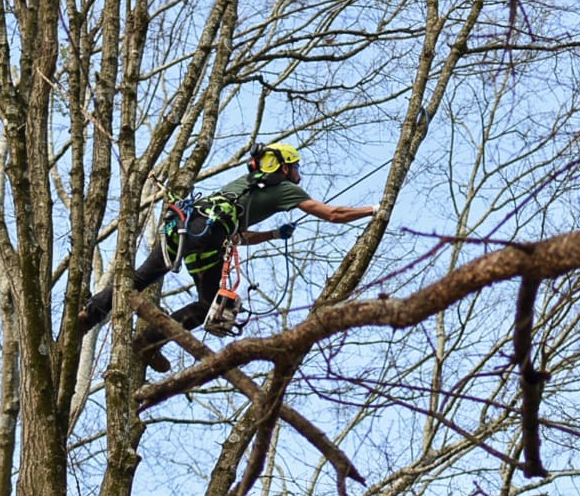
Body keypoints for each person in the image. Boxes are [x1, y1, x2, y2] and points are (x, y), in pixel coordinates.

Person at [79, 143, 377, 372]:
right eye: (296, 166)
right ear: (285, 168)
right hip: (209, 241)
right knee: (210, 307)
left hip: (184, 230)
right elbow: (333, 215)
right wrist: (373, 210)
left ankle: (90, 313)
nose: (299, 172)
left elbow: (234, 235)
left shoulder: (240, 185)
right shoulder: (286, 189)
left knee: (143, 277)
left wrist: (273, 234)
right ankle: (147, 342)